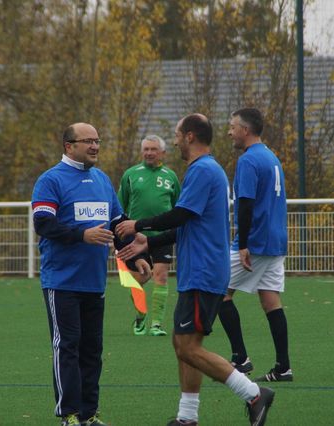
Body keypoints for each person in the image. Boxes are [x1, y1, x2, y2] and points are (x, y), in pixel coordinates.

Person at [116, 114, 275, 426]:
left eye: (177, 135)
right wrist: (148, 243)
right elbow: (186, 225)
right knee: (182, 344)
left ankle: (254, 394)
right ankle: (187, 417)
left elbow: (181, 214)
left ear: (189, 136)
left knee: (188, 347)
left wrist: (139, 225)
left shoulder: (203, 170)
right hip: (198, 271)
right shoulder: (203, 170)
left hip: (204, 271)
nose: (175, 141)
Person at [31, 122, 152, 426]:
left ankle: (89, 413)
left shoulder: (102, 179)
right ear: (69, 146)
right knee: (67, 347)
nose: (95, 146)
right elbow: (43, 224)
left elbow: (118, 224)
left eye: (97, 140)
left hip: (94, 282)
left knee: (92, 350)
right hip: (62, 281)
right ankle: (69, 414)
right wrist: (82, 235)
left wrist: (136, 256)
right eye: (88, 141)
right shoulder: (50, 180)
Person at [218, 108, 293, 383]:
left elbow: (246, 204)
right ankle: (283, 367)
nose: (229, 132)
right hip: (276, 240)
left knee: (218, 291)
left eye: (232, 127)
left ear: (245, 130)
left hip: (256, 241)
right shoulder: (271, 156)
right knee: (270, 300)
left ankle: (240, 357)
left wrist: (243, 244)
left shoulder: (248, 160)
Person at [118, 135, 181, 336]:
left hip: (162, 236)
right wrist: (118, 236)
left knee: (160, 276)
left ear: (163, 152)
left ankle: (156, 325)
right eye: (146, 149)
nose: (149, 153)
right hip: (135, 238)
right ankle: (140, 315)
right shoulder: (130, 174)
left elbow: (178, 207)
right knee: (139, 279)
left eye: (153, 149)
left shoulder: (171, 177)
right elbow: (120, 207)